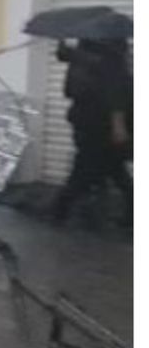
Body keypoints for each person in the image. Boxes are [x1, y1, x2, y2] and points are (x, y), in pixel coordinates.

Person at [52, 38, 132, 227]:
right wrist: (119, 126)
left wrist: (62, 44)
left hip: (90, 123)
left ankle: (59, 210)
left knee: (87, 169)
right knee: (112, 168)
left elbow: (114, 97)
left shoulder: (83, 57)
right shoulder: (111, 61)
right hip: (99, 124)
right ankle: (132, 212)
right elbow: (117, 96)